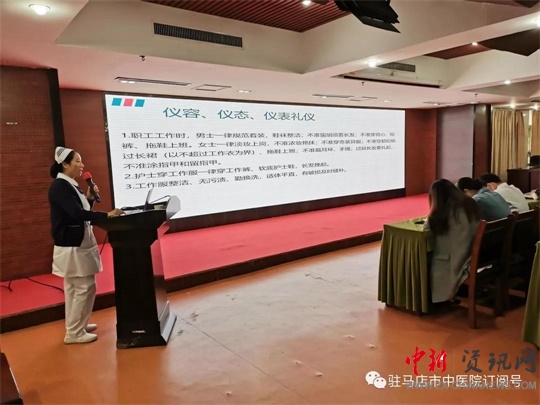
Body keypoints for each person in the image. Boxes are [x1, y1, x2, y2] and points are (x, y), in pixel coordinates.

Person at [49, 147, 123, 344]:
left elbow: (81, 210)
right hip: (72, 245)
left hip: (76, 242)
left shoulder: (69, 184)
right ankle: (74, 332)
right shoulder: (60, 186)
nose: (82, 165)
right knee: (84, 286)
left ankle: (76, 325)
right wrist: (106, 215)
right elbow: (76, 214)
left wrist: (89, 198)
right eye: (78, 161)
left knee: (74, 288)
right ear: (65, 164)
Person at [424, 179, 480, 303]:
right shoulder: (470, 204)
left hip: (456, 260)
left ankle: (423, 299)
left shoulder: (443, 211)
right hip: (472, 256)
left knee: (422, 256)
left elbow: (427, 229)